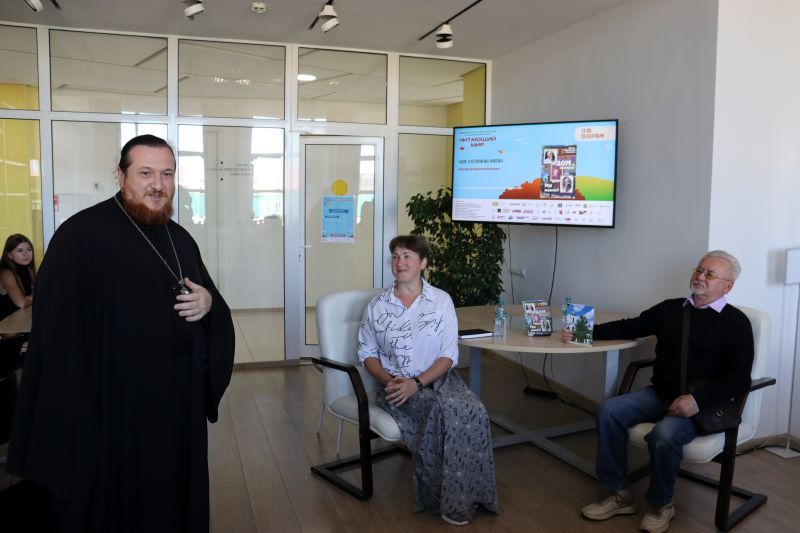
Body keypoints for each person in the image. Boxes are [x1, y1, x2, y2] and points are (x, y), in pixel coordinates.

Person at [7, 134, 235, 532]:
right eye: (146, 173)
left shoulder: (180, 237)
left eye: (167, 174)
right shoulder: (78, 237)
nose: (158, 184)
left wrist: (209, 304)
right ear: (121, 175)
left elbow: (208, 299)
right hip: (110, 409)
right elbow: (54, 332)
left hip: (174, 407)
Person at [571, 250, 753, 533]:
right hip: (659, 395)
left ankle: (660, 504)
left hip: (701, 406)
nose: (700, 276)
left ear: (727, 286)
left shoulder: (736, 323)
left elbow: (739, 378)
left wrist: (696, 400)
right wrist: (584, 331)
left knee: (665, 434)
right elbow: (631, 326)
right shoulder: (670, 309)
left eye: (710, 274)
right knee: (609, 411)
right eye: (699, 269)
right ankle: (619, 493)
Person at [358, 235, 499, 526]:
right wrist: (389, 380)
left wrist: (419, 383)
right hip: (396, 385)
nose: (400, 262)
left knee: (474, 410)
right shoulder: (377, 306)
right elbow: (367, 354)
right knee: (440, 414)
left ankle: (476, 494)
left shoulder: (441, 301)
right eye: (395, 256)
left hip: (439, 379)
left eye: (408, 256)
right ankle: (445, 501)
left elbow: (448, 355)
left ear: (423, 263)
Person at [0, 234, 36, 320]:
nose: (25, 254)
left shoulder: (29, 270)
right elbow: (22, 303)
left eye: (29, 249)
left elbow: (40, 291)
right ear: (9, 255)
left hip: (20, 316)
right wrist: (35, 296)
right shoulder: (6, 273)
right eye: (19, 250)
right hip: (5, 322)